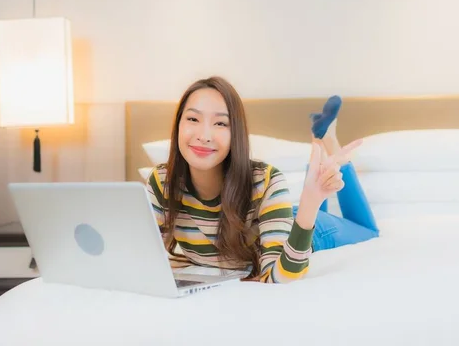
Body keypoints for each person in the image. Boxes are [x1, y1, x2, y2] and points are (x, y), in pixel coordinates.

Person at [145, 76, 379, 284]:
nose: (204, 135)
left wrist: (311, 202)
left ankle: (328, 139)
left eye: (220, 123)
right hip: (275, 216)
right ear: (178, 125)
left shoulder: (265, 180)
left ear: (235, 132)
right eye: (193, 119)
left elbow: (279, 277)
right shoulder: (162, 182)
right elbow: (144, 260)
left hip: (303, 228)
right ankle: (321, 137)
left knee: (369, 231)